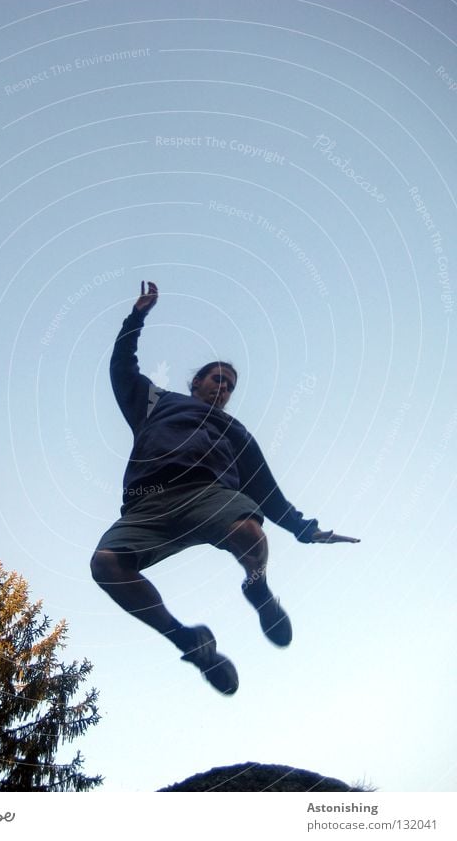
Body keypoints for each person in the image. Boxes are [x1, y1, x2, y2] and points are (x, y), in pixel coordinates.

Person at [90, 282, 359, 695]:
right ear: (196, 382)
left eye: (230, 385)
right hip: (150, 502)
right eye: (217, 379)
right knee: (105, 565)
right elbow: (121, 368)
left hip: (208, 495)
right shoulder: (156, 402)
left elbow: (268, 491)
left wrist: (306, 529)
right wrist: (137, 316)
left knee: (249, 531)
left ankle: (258, 586)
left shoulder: (234, 431)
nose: (224, 388)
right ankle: (190, 642)